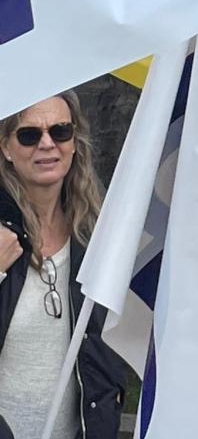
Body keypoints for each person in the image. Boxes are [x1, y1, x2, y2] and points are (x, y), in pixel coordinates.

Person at [0, 92, 124, 438]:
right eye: (28, 134)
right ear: (6, 148)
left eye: (60, 131)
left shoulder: (93, 231)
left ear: (74, 142)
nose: (47, 144)